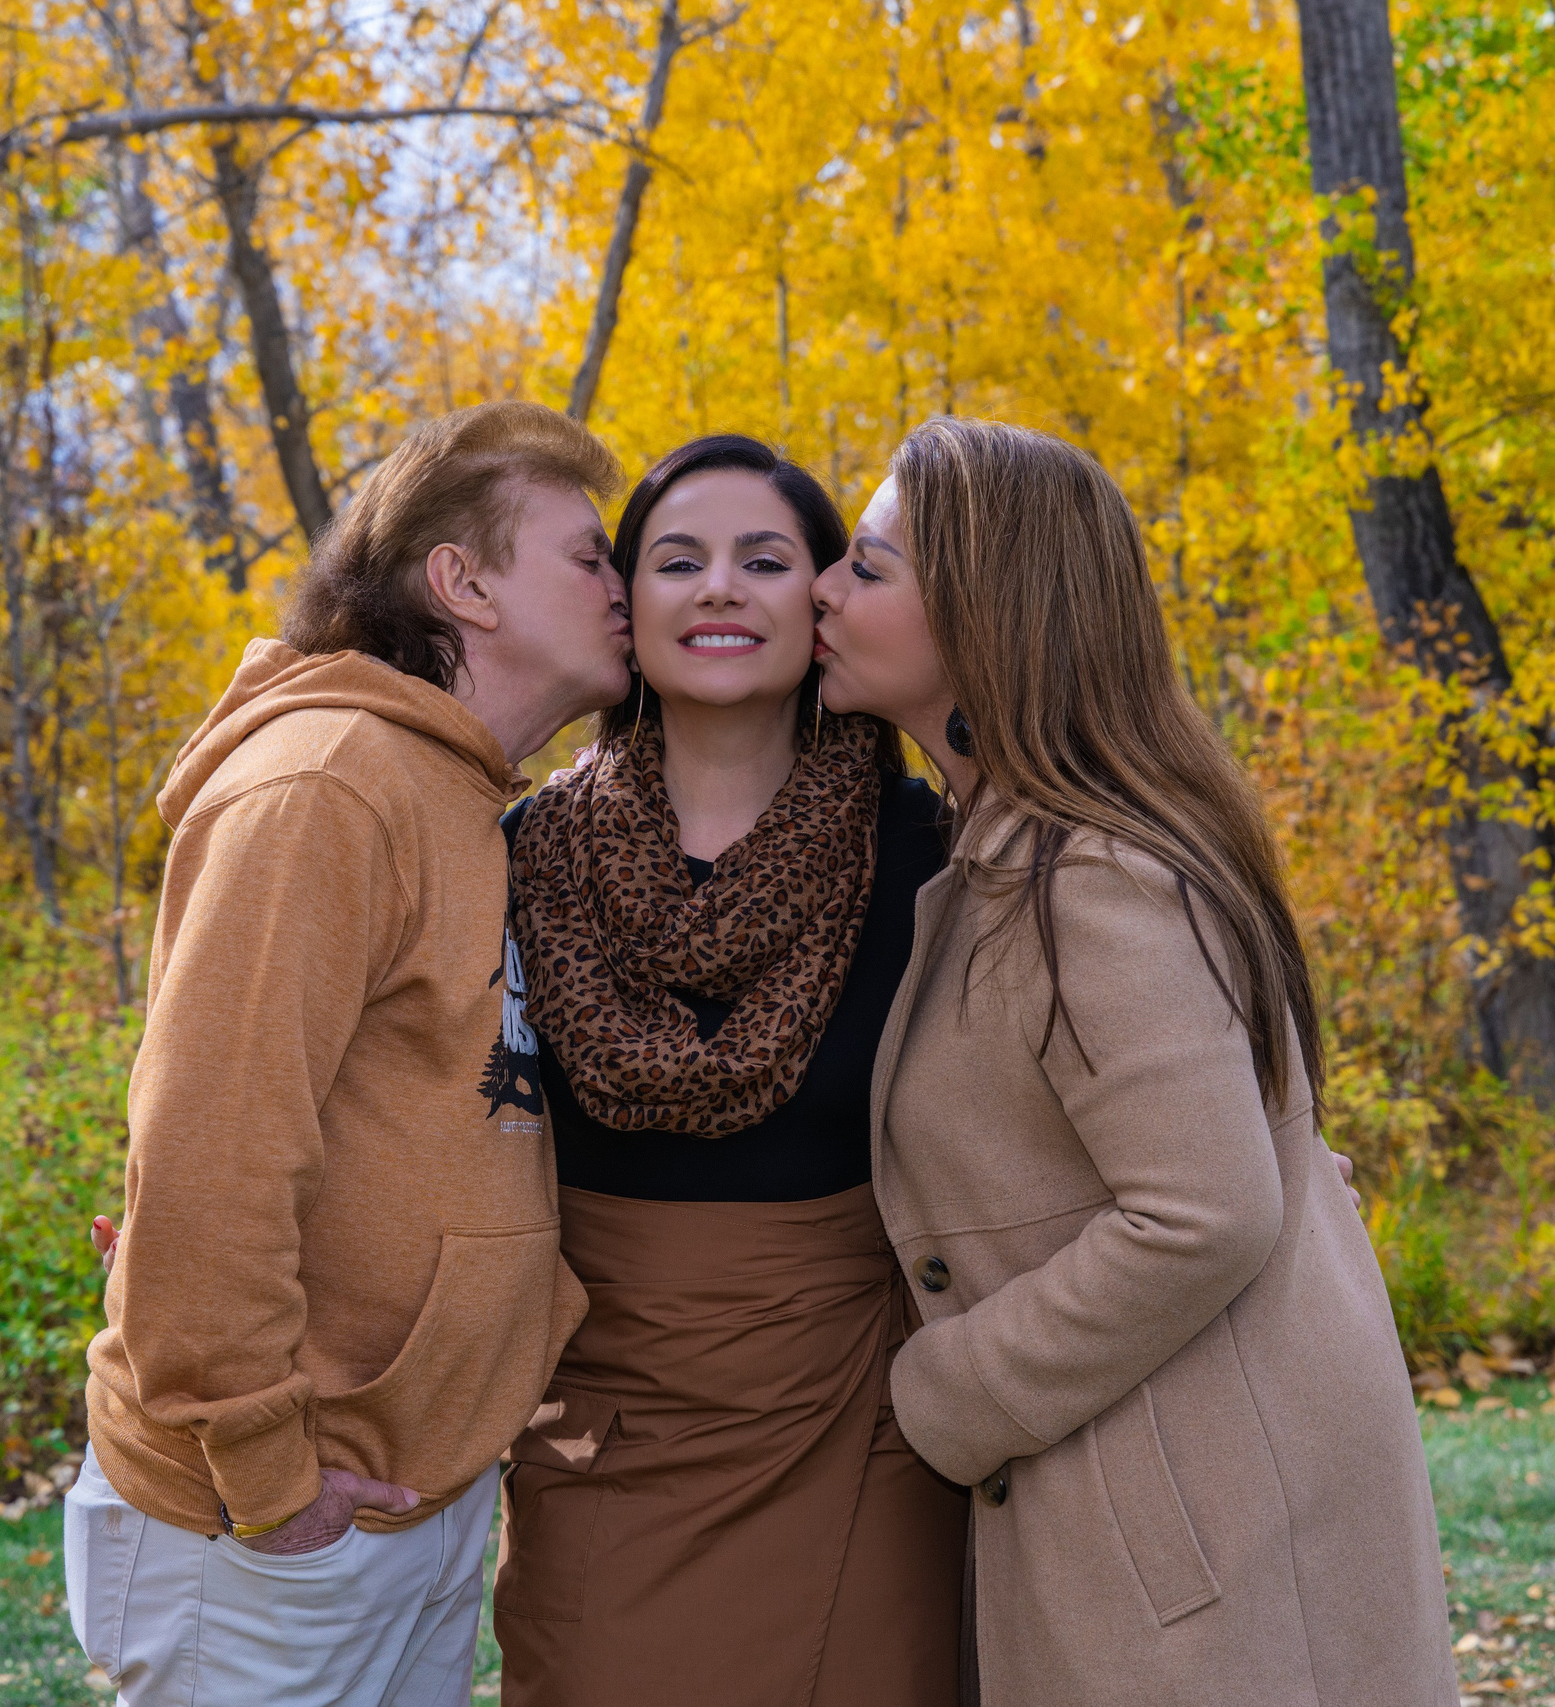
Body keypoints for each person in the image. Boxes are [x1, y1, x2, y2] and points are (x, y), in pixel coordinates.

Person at [808, 416, 1460, 1705]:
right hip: (1178, 1487)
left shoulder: (1090, 880)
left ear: (984, 618)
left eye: (869, 568)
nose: (824, 587)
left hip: (1198, 1528)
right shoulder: (1026, 849)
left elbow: (1205, 1211)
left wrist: (953, 1387)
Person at [65, 400, 636, 1707]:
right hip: (264, 1522)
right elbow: (208, 1164)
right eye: (589, 555)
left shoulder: (465, 798)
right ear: (464, 581)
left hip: (401, 1496)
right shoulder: (327, 780)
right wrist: (273, 1480)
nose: (626, 582)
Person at [494, 436, 968, 1707]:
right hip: (596, 1430)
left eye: (765, 561)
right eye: (676, 560)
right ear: (624, 604)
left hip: (863, 1428)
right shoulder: (513, 854)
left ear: (822, 606)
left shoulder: (940, 853)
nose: (718, 589)